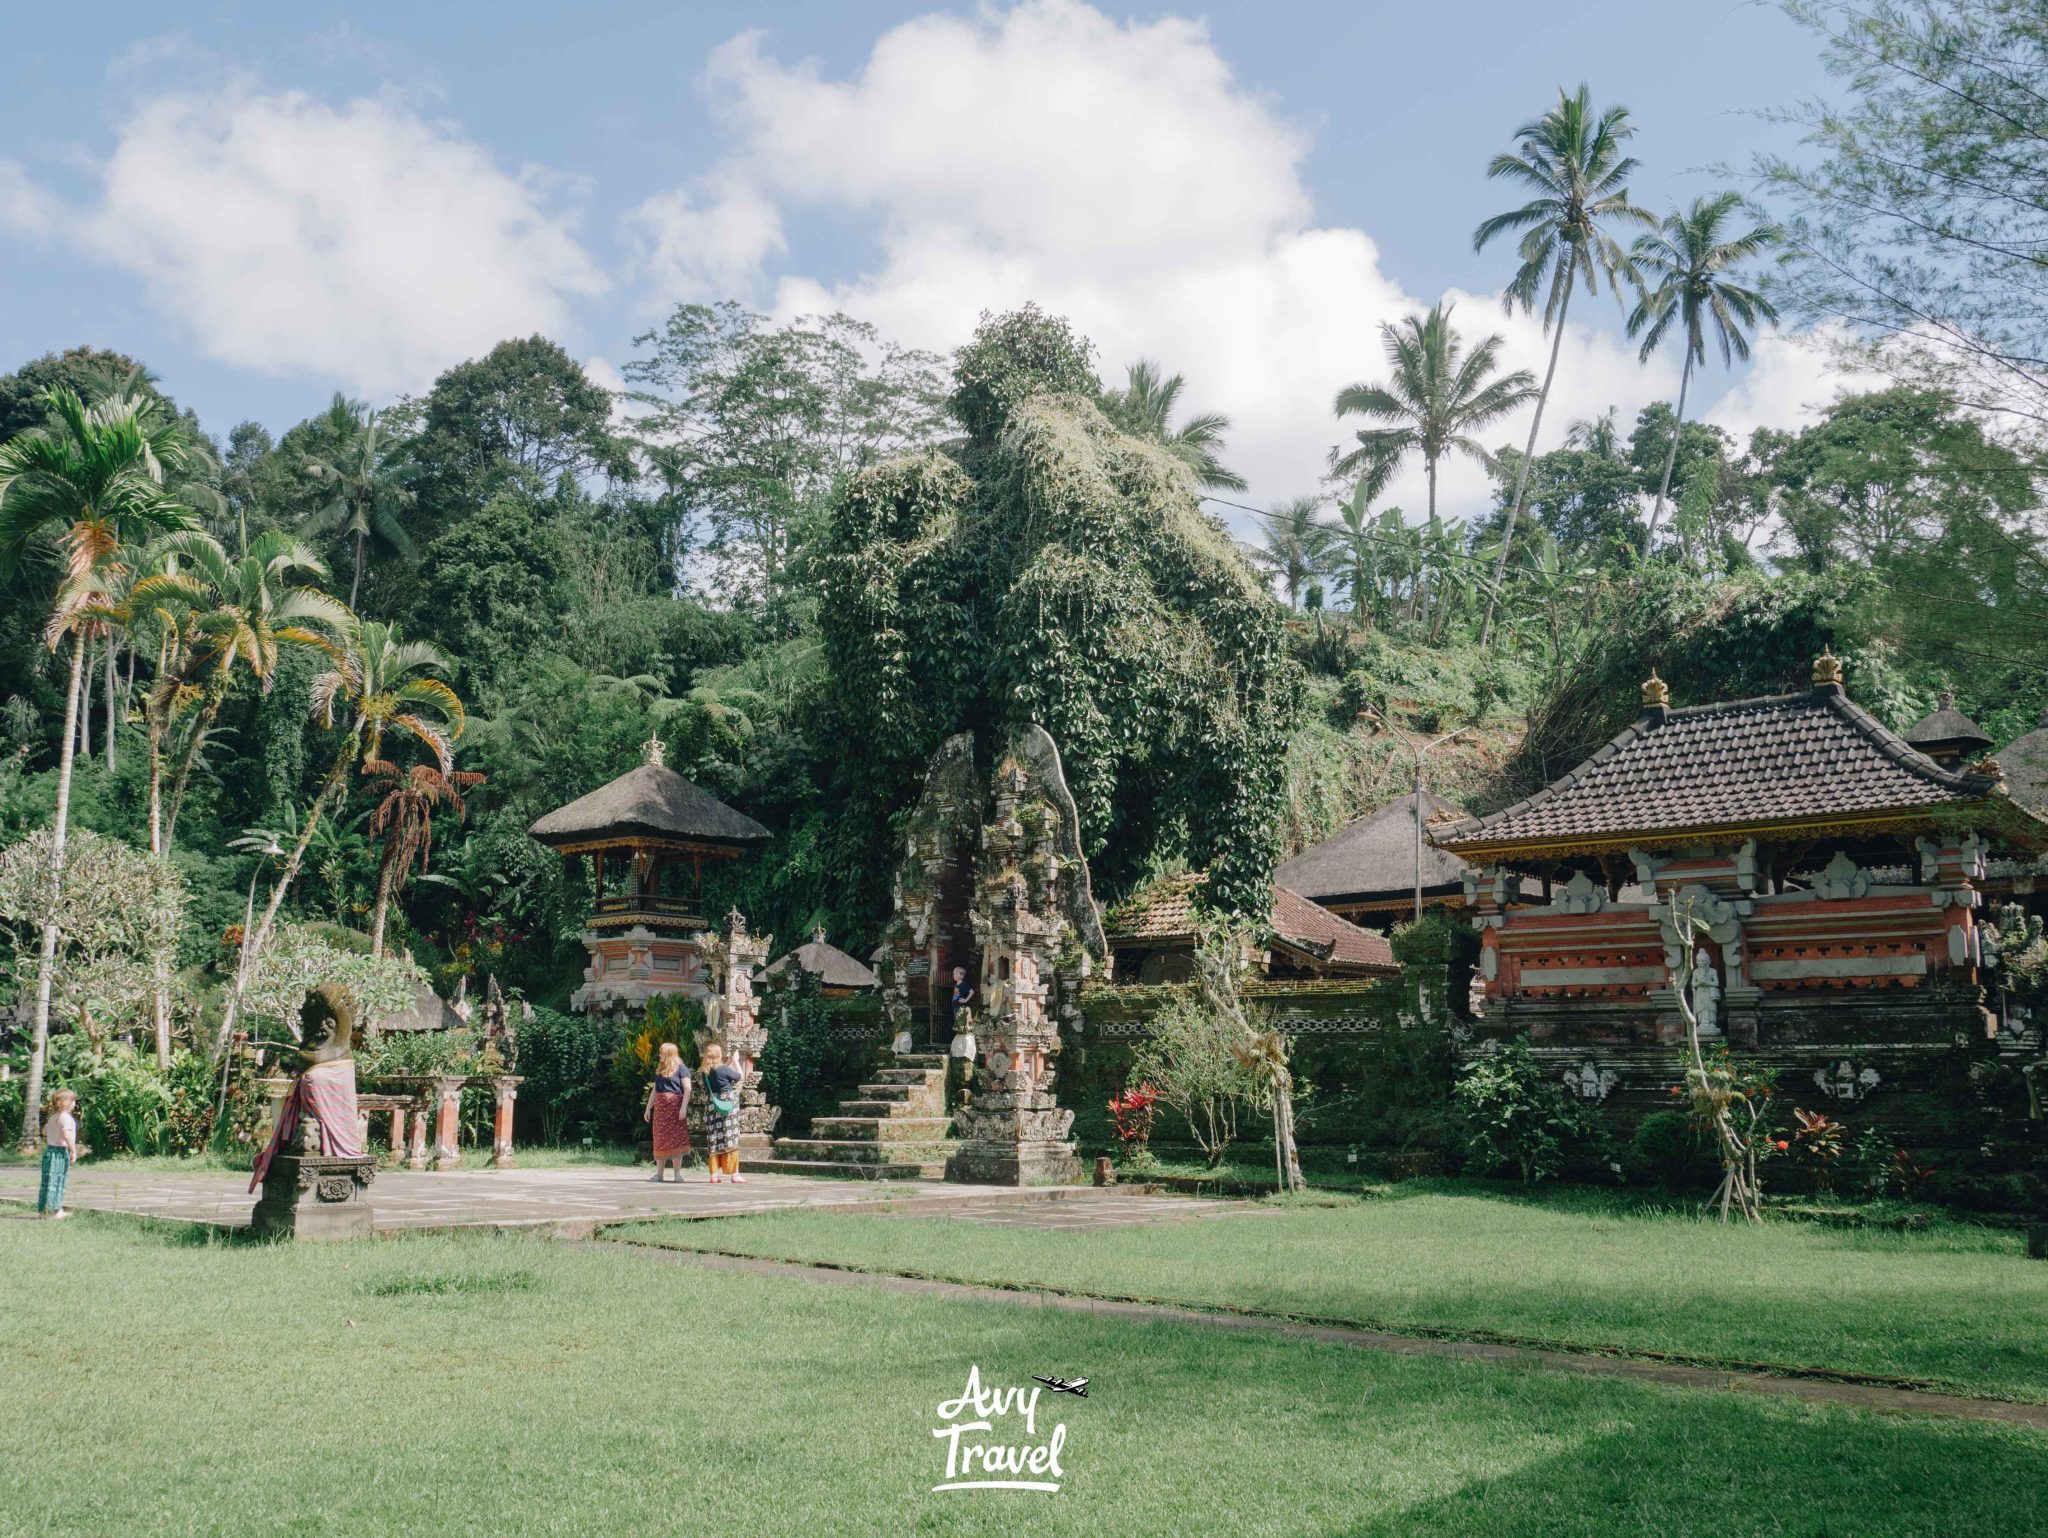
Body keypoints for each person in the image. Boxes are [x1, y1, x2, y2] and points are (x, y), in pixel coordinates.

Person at [644, 1041, 692, 1182]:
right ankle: (660, 1174)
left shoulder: (681, 1069)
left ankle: (677, 1174)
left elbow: (687, 1088)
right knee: (660, 1139)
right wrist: (648, 1108)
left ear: (669, 1054)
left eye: (662, 1053)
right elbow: (655, 1090)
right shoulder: (661, 1069)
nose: (659, 1055)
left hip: (675, 1109)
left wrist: (683, 1108)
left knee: (676, 1139)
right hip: (661, 1110)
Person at [701, 1043, 745, 1184]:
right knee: (730, 1138)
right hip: (727, 1106)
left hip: (712, 1105)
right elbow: (739, 1077)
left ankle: (714, 1175)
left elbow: (719, 1073)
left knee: (713, 1138)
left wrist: (729, 1062)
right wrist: (737, 1062)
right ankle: (735, 1174)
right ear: (719, 1055)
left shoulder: (705, 1071)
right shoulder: (724, 1069)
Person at [38, 1088, 80, 1220]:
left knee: (48, 1182)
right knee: (57, 1181)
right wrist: (73, 1150)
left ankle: (44, 1210)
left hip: (50, 1152)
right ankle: (55, 1211)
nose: (75, 1103)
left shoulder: (53, 1117)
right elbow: (66, 1135)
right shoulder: (65, 1118)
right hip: (60, 1152)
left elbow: (44, 1131)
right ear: (66, 1103)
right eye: (73, 1101)